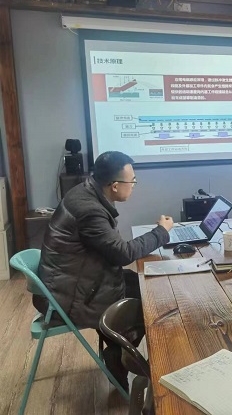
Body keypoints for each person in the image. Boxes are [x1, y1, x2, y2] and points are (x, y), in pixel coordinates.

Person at [34, 151, 174, 391]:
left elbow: (114, 251)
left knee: (147, 285)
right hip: (68, 297)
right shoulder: (90, 210)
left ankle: (117, 348)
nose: (134, 185)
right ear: (115, 185)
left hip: (72, 282)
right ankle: (120, 356)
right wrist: (161, 232)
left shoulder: (86, 193)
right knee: (153, 301)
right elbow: (122, 254)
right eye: (132, 181)